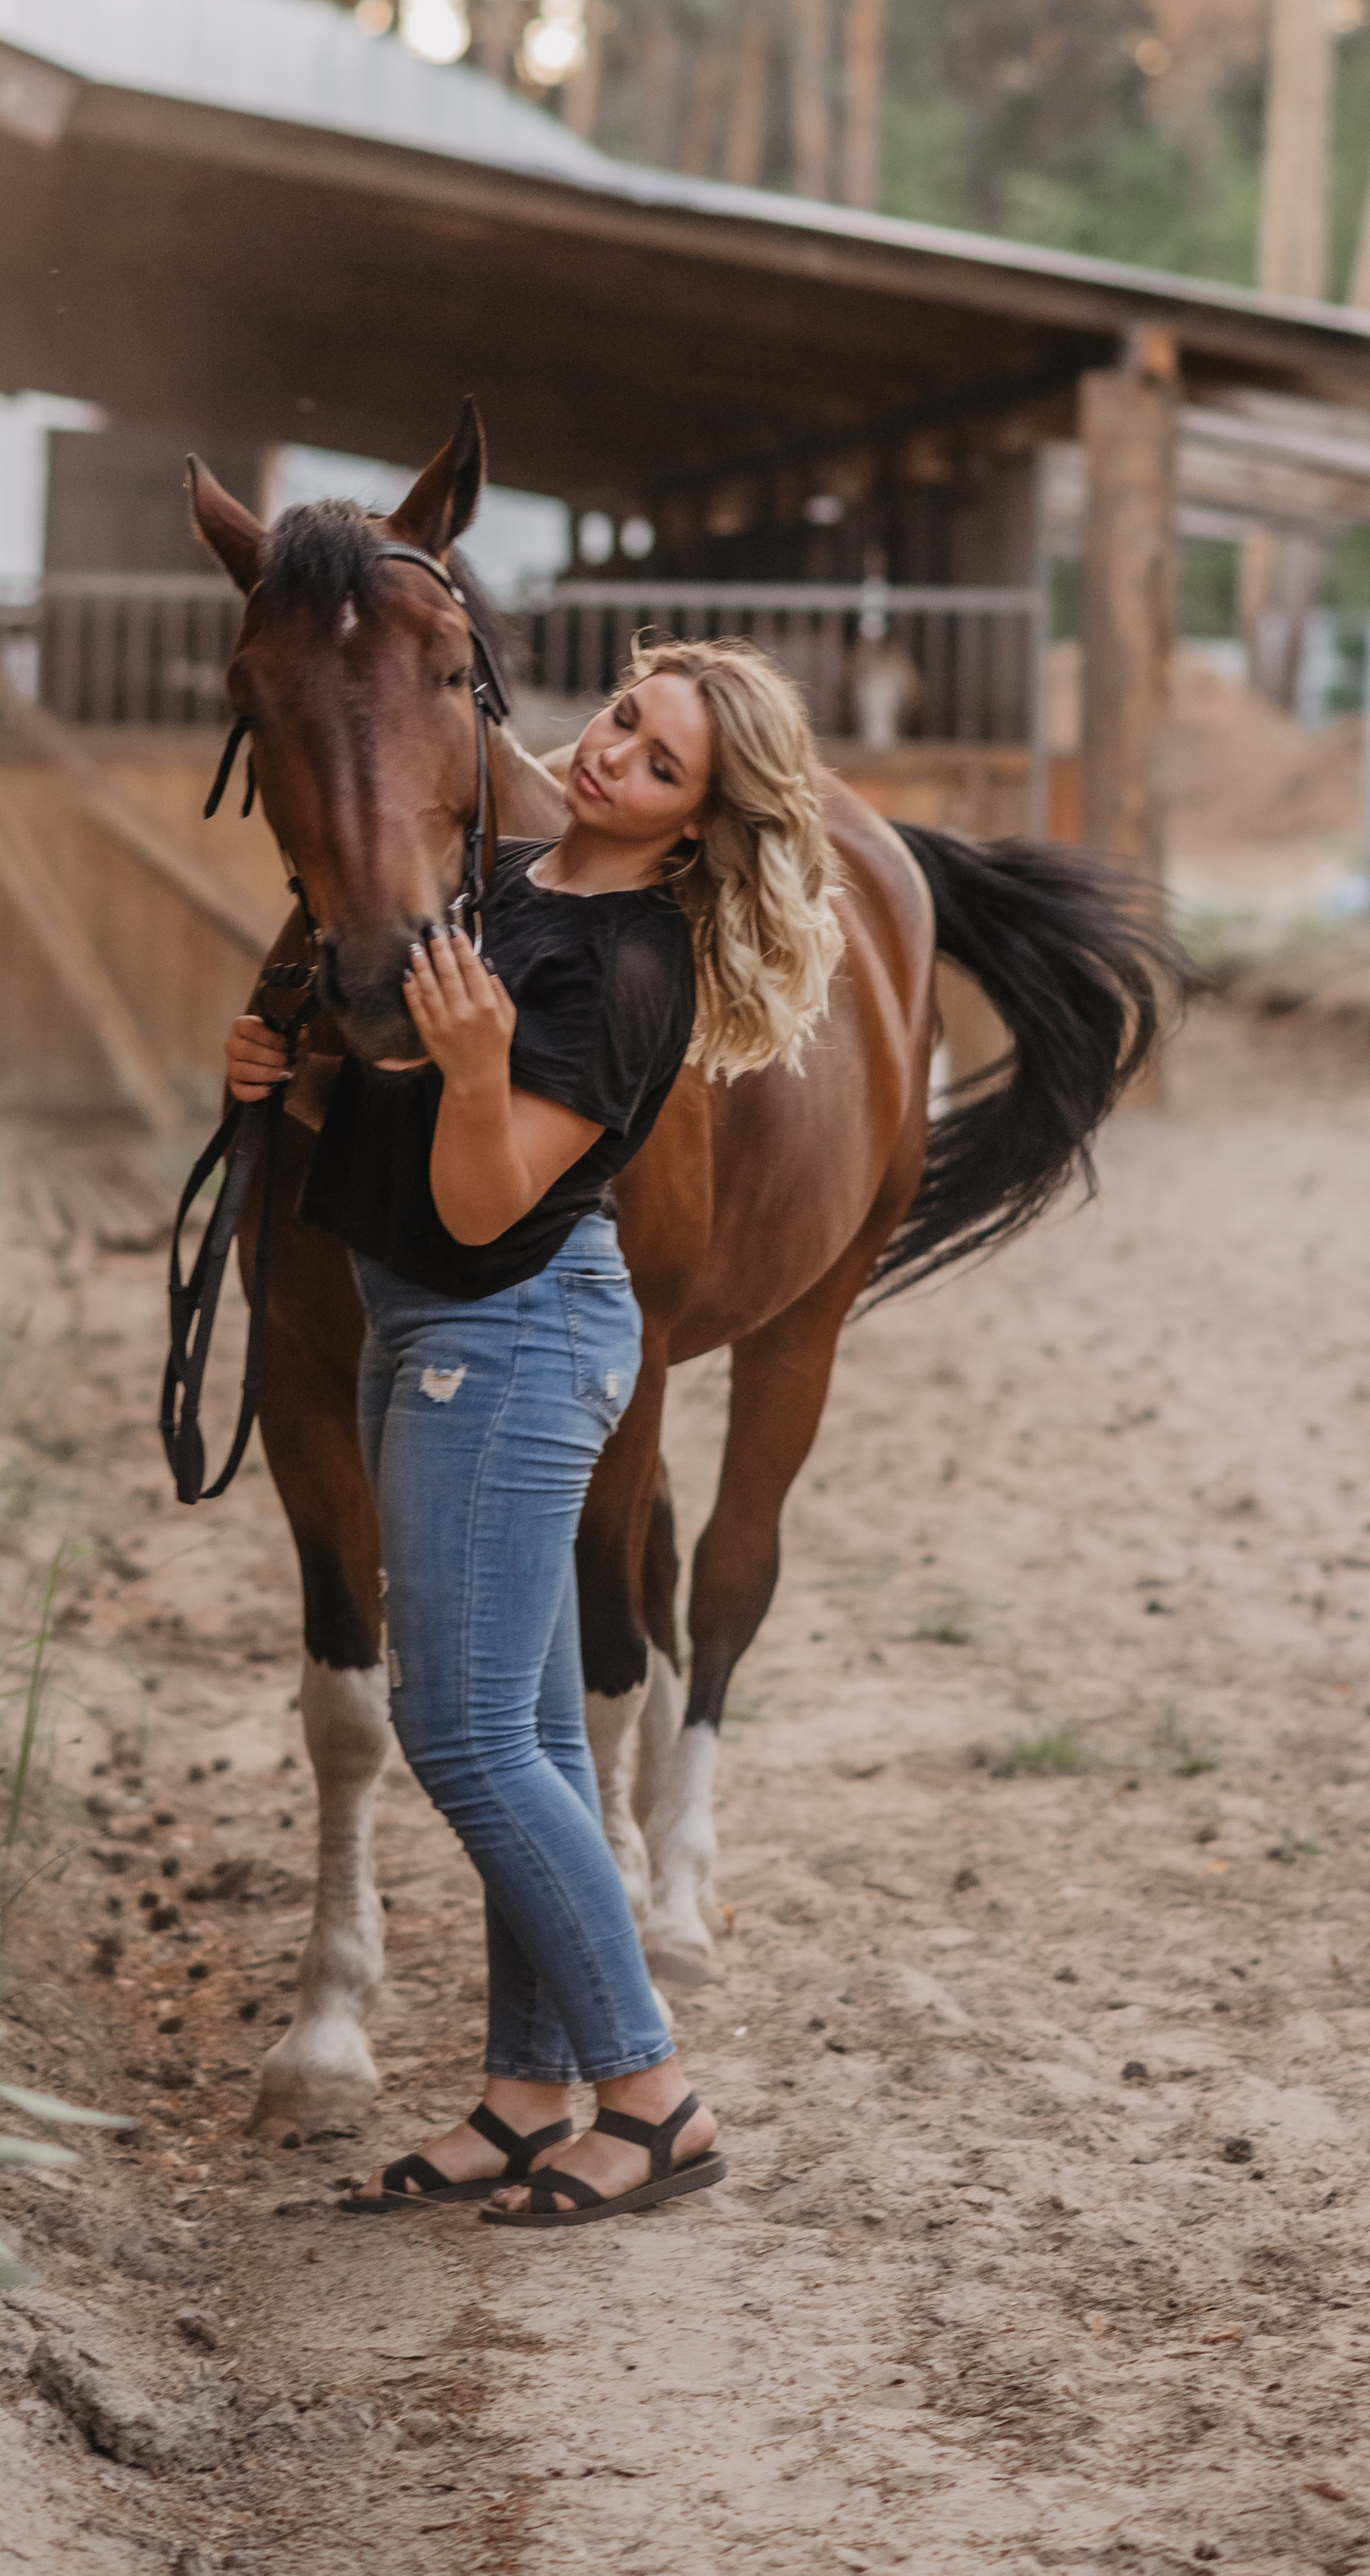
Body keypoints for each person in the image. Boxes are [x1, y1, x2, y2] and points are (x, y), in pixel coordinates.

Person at [223, 637, 843, 2229]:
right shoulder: (504, 883)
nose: (616, 753)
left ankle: (650, 2093)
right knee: (543, 1732)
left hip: (511, 1336)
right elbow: (384, 1121)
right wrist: (277, 1081)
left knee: (467, 1734)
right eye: (626, 716)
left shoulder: (623, 966)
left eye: (661, 763)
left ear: (697, 827)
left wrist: (485, 1063)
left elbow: (490, 1192)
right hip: (422, 1319)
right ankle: (523, 2094)